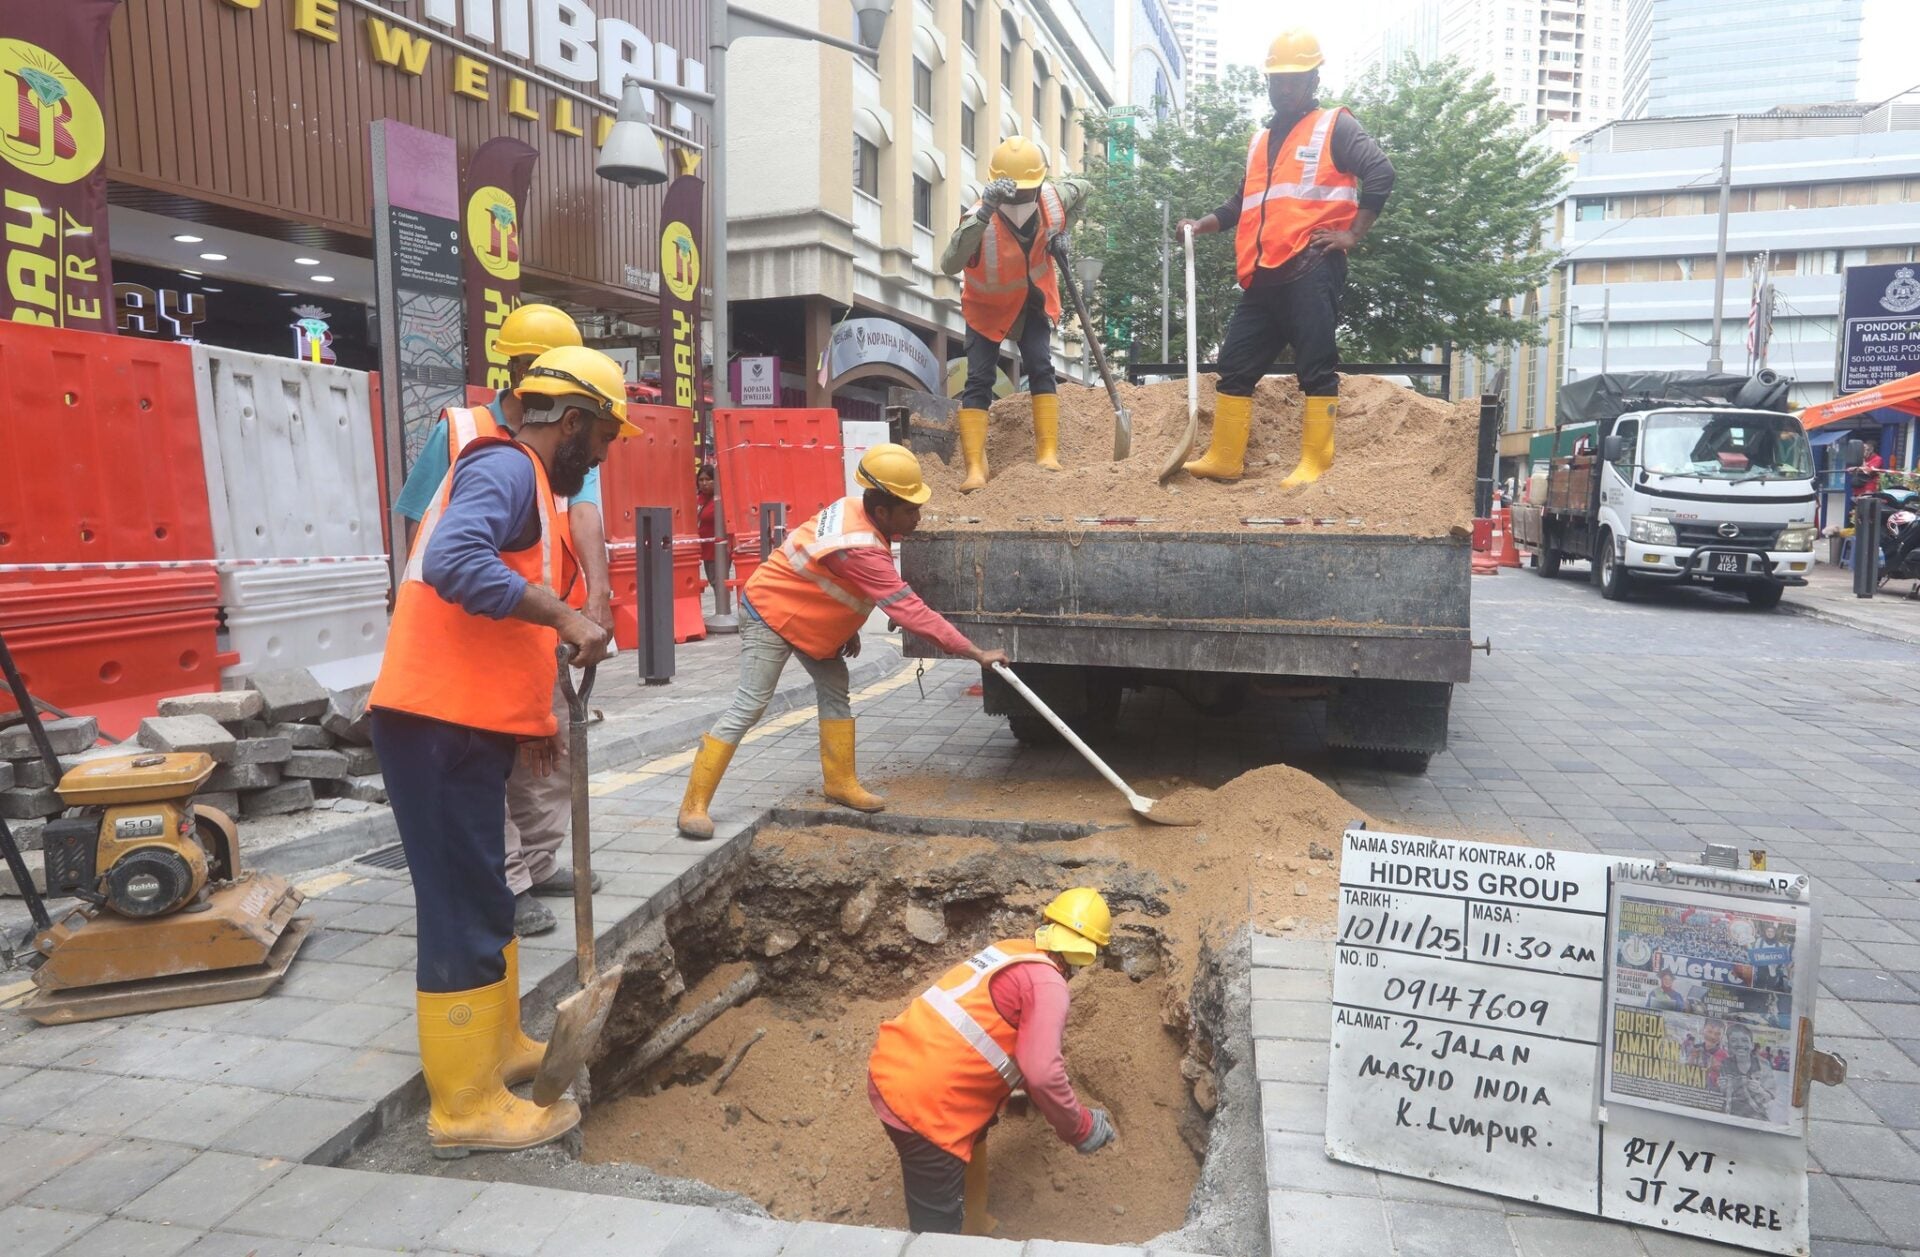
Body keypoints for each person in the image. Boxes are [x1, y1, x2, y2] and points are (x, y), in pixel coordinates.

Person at [368, 346, 634, 1158]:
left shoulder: (533, 490)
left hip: (466, 724)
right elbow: (454, 560)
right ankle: (465, 1105)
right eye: (605, 441)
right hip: (434, 721)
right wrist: (563, 615)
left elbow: (498, 630)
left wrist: (537, 726)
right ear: (577, 421)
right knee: (457, 910)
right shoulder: (509, 468)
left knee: (485, 894)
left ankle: (496, 1047)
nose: (601, 459)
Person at [393, 304, 612, 937]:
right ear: (516, 369)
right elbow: (431, 532)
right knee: (482, 770)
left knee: (546, 748)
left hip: (533, 630)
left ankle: (537, 864)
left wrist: (592, 599)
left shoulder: (563, 451)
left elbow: (584, 516)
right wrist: (410, 604)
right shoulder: (470, 434)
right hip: (469, 639)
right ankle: (508, 880)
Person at [675, 444, 1010, 839]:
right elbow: (911, 612)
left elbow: (828, 574)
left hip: (807, 618)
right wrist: (976, 653)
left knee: (836, 691)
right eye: (910, 509)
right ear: (882, 512)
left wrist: (845, 626)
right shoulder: (861, 547)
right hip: (770, 612)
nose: (918, 516)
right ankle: (693, 805)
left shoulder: (856, 508)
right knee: (750, 704)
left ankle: (840, 783)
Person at [1176, 28, 1395, 485]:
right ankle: (1225, 458)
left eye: (1294, 79)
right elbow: (1240, 204)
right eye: (1277, 79)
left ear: (1314, 80)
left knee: (1315, 365)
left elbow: (1380, 172)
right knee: (1234, 365)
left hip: (1311, 267)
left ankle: (1317, 462)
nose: (1284, 88)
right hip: (1262, 276)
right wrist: (1201, 225)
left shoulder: (1335, 125)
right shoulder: (1260, 141)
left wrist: (1353, 233)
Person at [867, 888, 1119, 1233]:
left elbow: (1003, 1037)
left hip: (896, 1061)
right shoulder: (1049, 984)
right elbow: (1042, 1072)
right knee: (935, 1229)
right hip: (923, 1104)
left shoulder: (1011, 952)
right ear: (1088, 953)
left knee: (979, 1128)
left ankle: (974, 1227)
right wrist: (1081, 1127)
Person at [940, 137, 1094, 492]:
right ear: (998, 186)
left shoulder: (1054, 198)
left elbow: (1084, 188)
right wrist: (983, 214)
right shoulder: (978, 217)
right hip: (986, 310)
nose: (1020, 198)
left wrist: (1064, 230)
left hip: (1033, 302)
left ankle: (1048, 454)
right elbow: (949, 263)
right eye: (1013, 192)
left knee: (1041, 366)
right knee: (978, 379)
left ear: (1039, 182)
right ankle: (976, 469)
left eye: (1027, 190)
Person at [696, 463, 721, 602]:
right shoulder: (698, 499)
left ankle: (722, 611)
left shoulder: (719, 499)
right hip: (705, 548)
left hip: (717, 549)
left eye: (708, 479)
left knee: (717, 582)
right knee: (714, 581)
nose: (704, 483)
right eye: (701, 480)